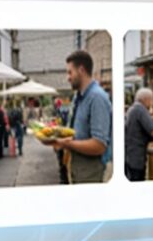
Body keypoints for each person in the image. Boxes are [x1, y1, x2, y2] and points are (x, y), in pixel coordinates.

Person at [39, 50, 112, 184]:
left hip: (91, 173)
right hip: (77, 169)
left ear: (81, 70)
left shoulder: (97, 98)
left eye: (69, 72)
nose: (68, 77)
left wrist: (66, 143)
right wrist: (54, 134)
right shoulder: (78, 97)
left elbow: (99, 145)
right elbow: (77, 133)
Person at [125, 86, 153, 182]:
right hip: (137, 157)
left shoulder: (132, 109)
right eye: (151, 100)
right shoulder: (141, 110)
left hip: (129, 156)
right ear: (146, 99)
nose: (151, 103)